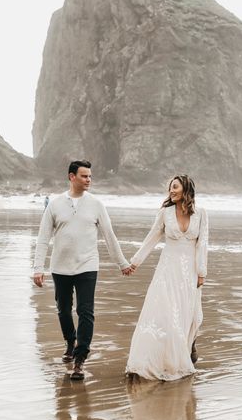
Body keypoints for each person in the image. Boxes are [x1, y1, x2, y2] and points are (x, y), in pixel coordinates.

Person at [33, 160, 132, 380]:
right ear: (72, 177)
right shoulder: (55, 204)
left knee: (86, 312)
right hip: (60, 267)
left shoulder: (96, 204)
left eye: (90, 176)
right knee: (63, 309)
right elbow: (43, 238)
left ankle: (80, 359)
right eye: (84, 176)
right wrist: (38, 268)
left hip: (87, 266)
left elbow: (109, 236)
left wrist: (122, 263)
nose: (89, 180)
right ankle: (70, 341)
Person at [126, 174, 208, 381]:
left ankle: (182, 354)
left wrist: (201, 273)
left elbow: (202, 244)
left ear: (186, 190)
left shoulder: (201, 214)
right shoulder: (165, 212)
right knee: (162, 314)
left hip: (189, 273)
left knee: (187, 315)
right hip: (167, 271)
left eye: (175, 187)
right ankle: (154, 360)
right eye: (170, 188)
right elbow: (152, 238)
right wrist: (134, 262)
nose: (171, 191)